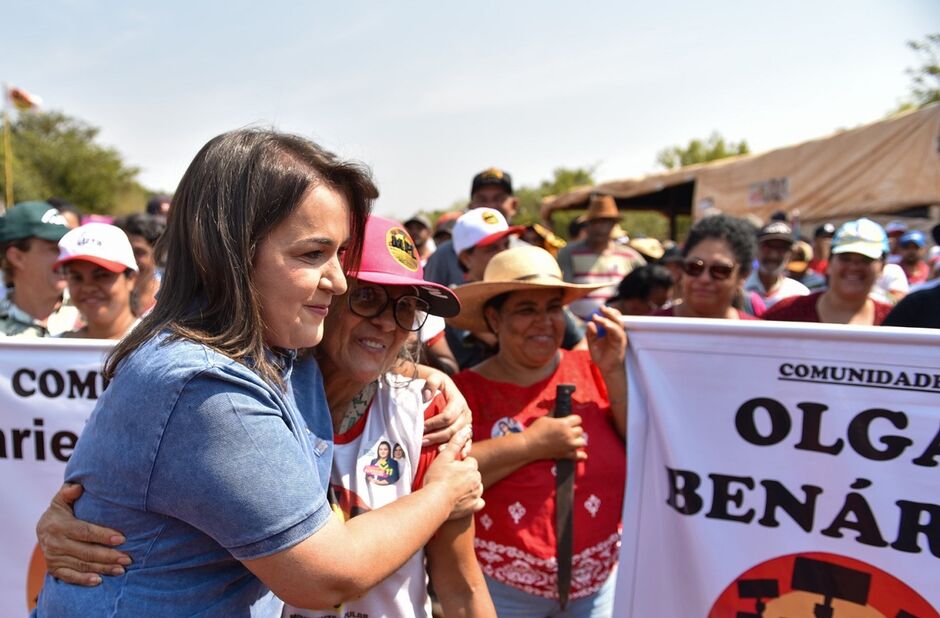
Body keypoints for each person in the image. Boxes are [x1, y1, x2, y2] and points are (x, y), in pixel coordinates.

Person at [33, 128, 482, 617]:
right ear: (230, 253)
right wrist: (444, 491)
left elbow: (357, 348)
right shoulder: (209, 387)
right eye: (313, 255)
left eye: (406, 309)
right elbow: (328, 575)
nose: (335, 280)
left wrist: (425, 375)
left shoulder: (275, 349)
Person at [450, 245, 627, 616]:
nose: (544, 322)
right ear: (495, 320)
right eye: (527, 310)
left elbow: (639, 444)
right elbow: (446, 478)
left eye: (552, 309)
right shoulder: (465, 393)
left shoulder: (597, 367)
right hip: (503, 592)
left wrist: (615, 373)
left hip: (599, 588)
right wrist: (532, 444)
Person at [762, 218, 894, 325]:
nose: (854, 267)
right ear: (829, 264)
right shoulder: (786, 314)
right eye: (845, 258)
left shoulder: (895, 320)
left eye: (866, 259)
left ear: (882, 267)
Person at [556, 194, 646, 321]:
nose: (599, 227)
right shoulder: (568, 254)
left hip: (618, 326)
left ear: (614, 224)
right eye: (594, 222)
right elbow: (562, 295)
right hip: (580, 329)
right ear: (587, 225)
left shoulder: (631, 256)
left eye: (605, 222)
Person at [425, 167, 519, 288]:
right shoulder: (441, 257)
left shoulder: (528, 254)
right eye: (482, 199)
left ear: (514, 205)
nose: (490, 206)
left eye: (499, 198)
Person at [655, 214, 759, 320]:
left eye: (720, 270)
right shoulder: (647, 330)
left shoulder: (758, 334)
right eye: (694, 267)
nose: (704, 279)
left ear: (743, 276)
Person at [0, 201, 80, 337]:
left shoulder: (92, 312)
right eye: (55, 249)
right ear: (17, 257)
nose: (66, 257)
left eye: (66, 247)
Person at [55, 223, 140, 340]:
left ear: (131, 279)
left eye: (102, 276)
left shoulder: (159, 348)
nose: (88, 287)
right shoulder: (53, 349)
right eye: (77, 277)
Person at [743, 221, 809, 309]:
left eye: (781, 249)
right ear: (756, 249)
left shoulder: (799, 294)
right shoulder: (739, 288)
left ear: (791, 254)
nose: (773, 255)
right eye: (767, 247)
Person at [114, 213, 166, 314]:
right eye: (122, 250)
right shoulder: (102, 298)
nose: (129, 258)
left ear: (157, 253)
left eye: (138, 252)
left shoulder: (169, 300)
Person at [606, 264, 674, 315]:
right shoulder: (600, 323)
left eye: (664, 305)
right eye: (654, 305)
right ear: (633, 299)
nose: (659, 311)